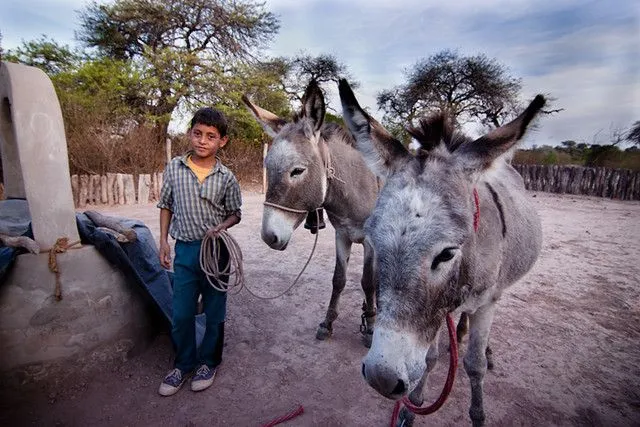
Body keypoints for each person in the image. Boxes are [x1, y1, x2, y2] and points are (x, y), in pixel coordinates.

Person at [156, 107, 242, 396]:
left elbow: (235, 213)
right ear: (190, 133)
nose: (202, 141)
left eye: (210, 136)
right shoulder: (174, 168)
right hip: (186, 251)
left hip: (216, 252)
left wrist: (221, 226)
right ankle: (182, 364)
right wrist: (163, 240)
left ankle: (209, 362)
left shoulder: (227, 177)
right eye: (197, 134)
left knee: (215, 310)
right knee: (181, 312)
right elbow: (166, 205)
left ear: (222, 142)